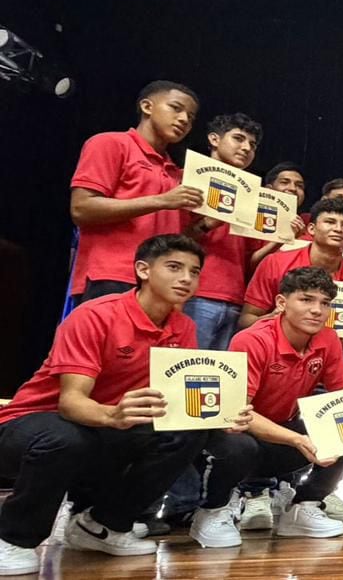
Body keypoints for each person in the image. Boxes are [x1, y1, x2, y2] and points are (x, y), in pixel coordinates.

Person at [0, 235, 248, 574]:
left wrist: (222, 415)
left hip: (101, 429)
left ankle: (103, 525)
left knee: (188, 432)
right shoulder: (95, 315)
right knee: (67, 437)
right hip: (30, 424)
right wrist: (112, 415)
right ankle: (13, 539)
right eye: (174, 267)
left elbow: (176, 403)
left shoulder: (183, 327)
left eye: (194, 271)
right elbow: (70, 402)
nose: (186, 278)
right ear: (142, 270)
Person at [193, 267, 343, 546]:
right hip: (242, 431)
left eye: (325, 303)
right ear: (281, 303)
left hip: (285, 430)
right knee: (238, 445)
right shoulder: (251, 340)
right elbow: (236, 413)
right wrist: (297, 439)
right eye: (306, 300)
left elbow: (342, 395)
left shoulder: (327, 339)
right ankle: (212, 511)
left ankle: (304, 506)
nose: (317, 310)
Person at [68, 81, 203, 302]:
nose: (184, 120)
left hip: (162, 285)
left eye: (191, 117)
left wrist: (209, 223)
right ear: (147, 107)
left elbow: (180, 235)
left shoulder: (177, 173)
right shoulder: (109, 143)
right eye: (176, 108)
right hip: (113, 276)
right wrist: (161, 200)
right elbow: (82, 208)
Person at [183, 113, 268, 350]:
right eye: (238, 139)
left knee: (219, 379)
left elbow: (250, 260)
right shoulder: (188, 180)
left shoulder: (251, 196)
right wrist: (209, 222)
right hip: (194, 295)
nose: (246, 148)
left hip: (235, 300)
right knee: (187, 373)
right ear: (214, 139)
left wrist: (279, 241)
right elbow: (171, 241)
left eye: (252, 144)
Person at [238, 198, 343, 330]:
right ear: (311, 229)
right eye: (330, 222)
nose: (338, 229)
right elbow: (246, 320)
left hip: (327, 348)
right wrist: (273, 318)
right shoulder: (275, 263)